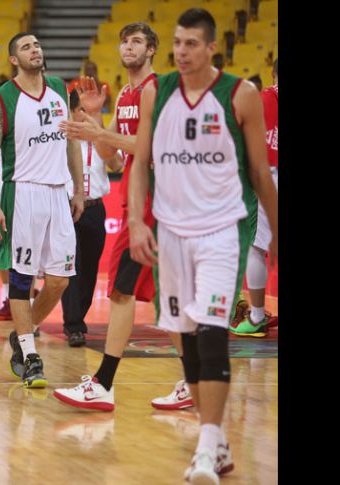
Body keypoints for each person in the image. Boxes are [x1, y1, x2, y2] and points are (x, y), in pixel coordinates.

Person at [134, 9, 276, 483]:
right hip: (171, 235)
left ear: (212, 48)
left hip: (220, 233)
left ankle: (204, 448)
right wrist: (136, 221)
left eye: (191, 43)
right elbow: (140, 162)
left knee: (213, 334)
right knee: (189, 344)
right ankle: (216, 442)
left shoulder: (241, 94)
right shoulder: (157, 92)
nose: (181, 51)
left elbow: (260, 173)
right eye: (177, 42)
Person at [54, 22, 192, 411]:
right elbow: (112, 159)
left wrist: (98, 132)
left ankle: (103, 383)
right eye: (124, 42)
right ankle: (195, 380)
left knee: (121, 291)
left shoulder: (154, 90)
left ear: (151, 50)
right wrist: (96, 121)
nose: (128, 47)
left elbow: (149, 147)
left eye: (137, 42)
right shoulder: (128, 94)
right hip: (141, 202)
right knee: (166, 296)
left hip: (153, 203)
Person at [0, 32, 85, 389]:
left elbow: (70, 141)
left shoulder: (59, 88)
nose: (35, 50)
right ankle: (30, 354)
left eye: (36, 45)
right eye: (26, 47)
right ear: (14, 59)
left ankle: (22, 335)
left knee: (59, 281)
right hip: (22, 192)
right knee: (22, 280)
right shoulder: (2, 99)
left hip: (58, 192)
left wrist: (79, 189)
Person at [60, 88, 123, 347]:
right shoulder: (62, 137)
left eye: (89, 111)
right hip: (68, 208)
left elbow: (117, 165)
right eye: (81, 110)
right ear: (72, 112)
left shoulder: (101, 138)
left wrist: (99, 134)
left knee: (89, 269)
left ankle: (79, 318)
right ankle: (73, 324)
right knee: (70, 267)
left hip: (96, 208)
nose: (86, 115)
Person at [230, 58, 278, 337]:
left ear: (273, 74)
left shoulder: (262, 99)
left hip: (268, 177)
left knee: (256, 247)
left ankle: (257, 315)